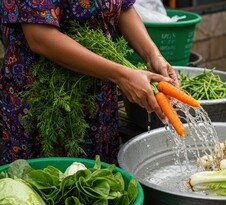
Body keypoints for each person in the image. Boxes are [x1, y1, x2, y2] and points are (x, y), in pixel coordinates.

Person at [0, 0, 178, 164]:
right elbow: (40, 37)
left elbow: (124, 8)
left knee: (98, 182)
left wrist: (153, 56)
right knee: (46, 181)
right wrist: (123, 76)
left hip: (99, 94)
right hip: (43, 96)